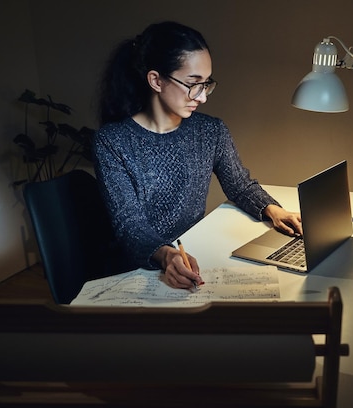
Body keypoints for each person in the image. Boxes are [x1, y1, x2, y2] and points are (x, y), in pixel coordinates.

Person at [93, 21, 301, 290]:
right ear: (156, 80)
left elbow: (239, 185)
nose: (202, 97)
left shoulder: (210, 130)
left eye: (207, 84)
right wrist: (167, 256)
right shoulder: (112, 142)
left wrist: (274, 211)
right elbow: (129, 225)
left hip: (193, 255)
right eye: (193, 84)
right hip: (140, 272)